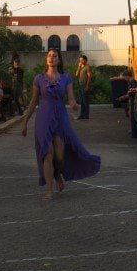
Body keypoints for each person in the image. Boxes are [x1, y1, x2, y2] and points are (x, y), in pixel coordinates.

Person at [21, 49, 100, 199]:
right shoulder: (38, 78)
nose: (51, 58)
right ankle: (49, 191)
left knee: (60, 156)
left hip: (60, 117)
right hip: (44, 117)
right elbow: (33, 102)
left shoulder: (66, 78)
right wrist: (25, 122)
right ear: (46, 60)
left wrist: (74, 104)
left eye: (54, 56)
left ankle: (58, 174)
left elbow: (70, 98)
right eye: (49, 56)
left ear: (59, 60)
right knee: (47, 153)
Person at [74, 55, 92, 120]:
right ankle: (82, 115)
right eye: (80, 60)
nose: (81, 61)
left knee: (85, 101)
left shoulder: (87, 67)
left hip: (84, 86)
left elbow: (89, 77)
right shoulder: (81, 67)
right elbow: (76, 74)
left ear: (85, 60)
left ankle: (86, 115)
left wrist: (87, 86)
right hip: (80, 85)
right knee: (81, 101)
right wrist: (79, 66)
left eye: (82, 60)